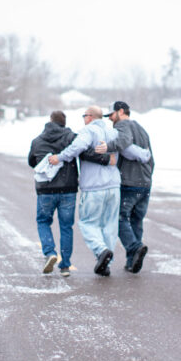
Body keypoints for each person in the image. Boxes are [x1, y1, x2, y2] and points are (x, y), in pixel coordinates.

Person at [49, 105, 150, 276]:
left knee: (87, 222)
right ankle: (106, 263)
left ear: (89, 117)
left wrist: (59, 158)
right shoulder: (113, 133)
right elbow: (130, 151)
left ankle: (101, 251)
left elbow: (76, 148)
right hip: (113, 187)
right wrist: (145, 154)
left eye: (84, 116)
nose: (83, 119)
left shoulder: (88, 131)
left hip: (94, 187)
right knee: (110, 225)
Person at [28, 110, 111, 277]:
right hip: (68, 190)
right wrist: (107, 159)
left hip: (45, 190)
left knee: (43, 221)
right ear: (64, 123)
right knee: (66, 226)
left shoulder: (37, 141)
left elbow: (32, 161)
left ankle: (50, 253)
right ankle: (65, 265)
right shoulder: (72, 138)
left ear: (50, 121)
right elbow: (86, 153)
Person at [96, 101, 154, 274]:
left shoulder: (122, 126)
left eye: (111, 115)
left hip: (129, 182)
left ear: (121, 112)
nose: (110, 119)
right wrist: (148, 177)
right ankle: (132, 261)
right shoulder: (142, 129)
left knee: (119, 218)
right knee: (136, 220)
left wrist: (107, 147)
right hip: (145, 183)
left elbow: (124, 141)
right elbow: (151, 157)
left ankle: (134, 247)